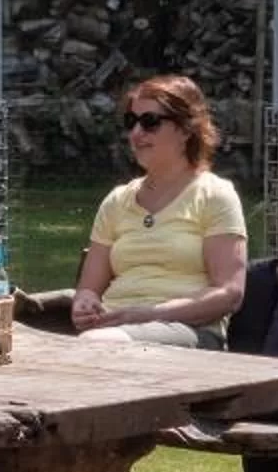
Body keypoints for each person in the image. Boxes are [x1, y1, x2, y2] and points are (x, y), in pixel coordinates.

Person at [73, 74, 248, 349]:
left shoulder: (215, 195)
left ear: (186, 129)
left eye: (150, 122)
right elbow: (88, 288)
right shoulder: (117, 201)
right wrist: (85, 303)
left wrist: (148, 315)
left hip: (189, 331)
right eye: (131, 121)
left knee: (97, 345)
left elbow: (229, 293)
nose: (136, 133)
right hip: (112, 327)